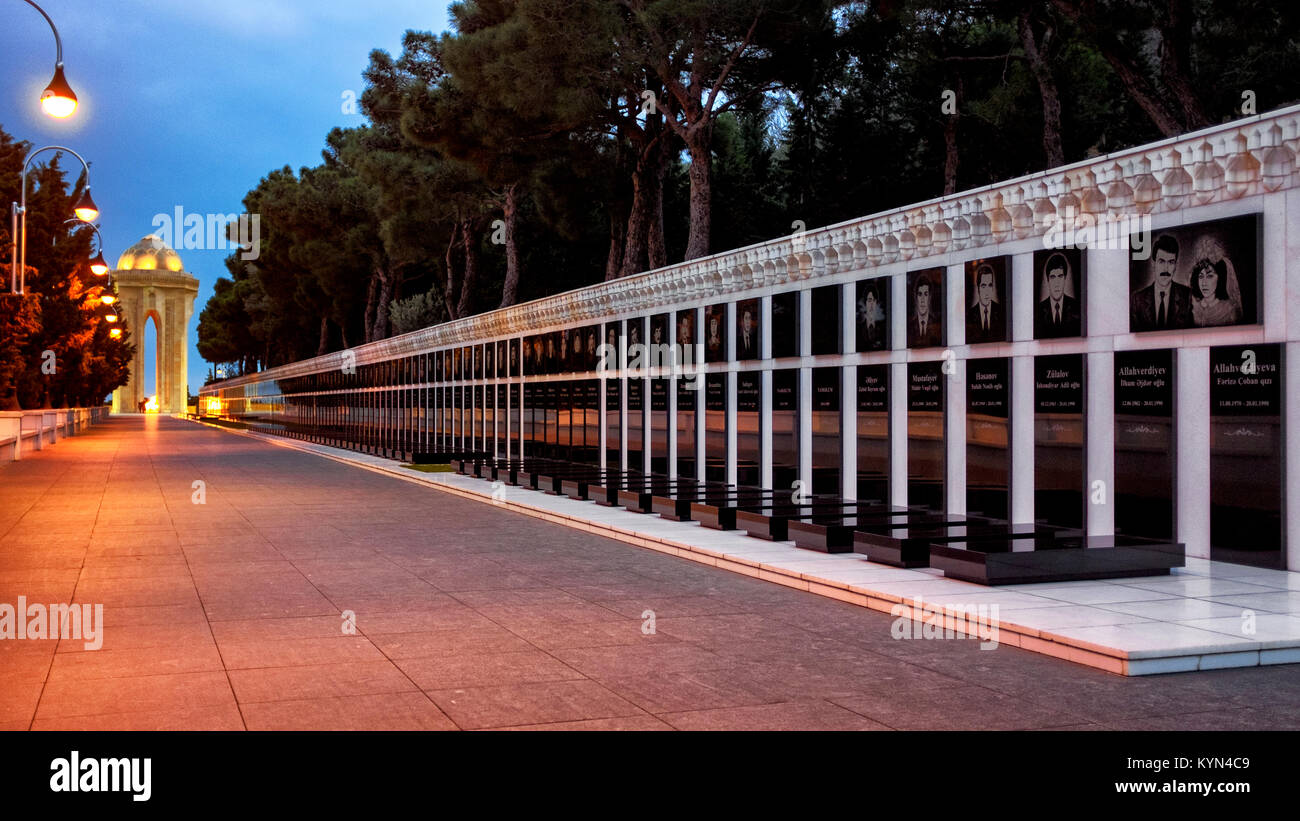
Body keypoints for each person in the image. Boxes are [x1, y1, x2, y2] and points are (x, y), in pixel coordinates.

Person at [1131, 233, 1192, 331]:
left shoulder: (1187, 296)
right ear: (1153, 264)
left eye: (1171, 262)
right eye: (1161, 261)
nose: (1166, 269)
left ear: (1176, 265)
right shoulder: (1137, 300)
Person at [1190, 244, 1242, 327]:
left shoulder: (1229, 310)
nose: (1204, 283)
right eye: (1201, 276)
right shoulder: (1192, 308)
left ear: (1220, 278)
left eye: (1210, 276)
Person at [1035, 252, 1081, 338]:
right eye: (1053, 277)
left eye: (1060, 276)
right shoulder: (1039, 310)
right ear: (1048, 280)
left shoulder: (1075, 307)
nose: (1057, 284)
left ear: (1065, 279)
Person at [965, 263, 1005, 344]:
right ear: (978, 287)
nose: (987, 292)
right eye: (983, 286)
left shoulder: (1001, 312)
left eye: (990, 285)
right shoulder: (970, 314)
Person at [908, 273, 942, 347]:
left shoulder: (937, 324)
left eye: (926, 294)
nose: (922, 300)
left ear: (930, 297)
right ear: (916, 297)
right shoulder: (909, 326)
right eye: (920, 294)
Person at [856, 282, 886, 351]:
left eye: (874, 300)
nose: (871, 303)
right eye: (869, 300)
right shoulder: (860, 320)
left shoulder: (881, 321)